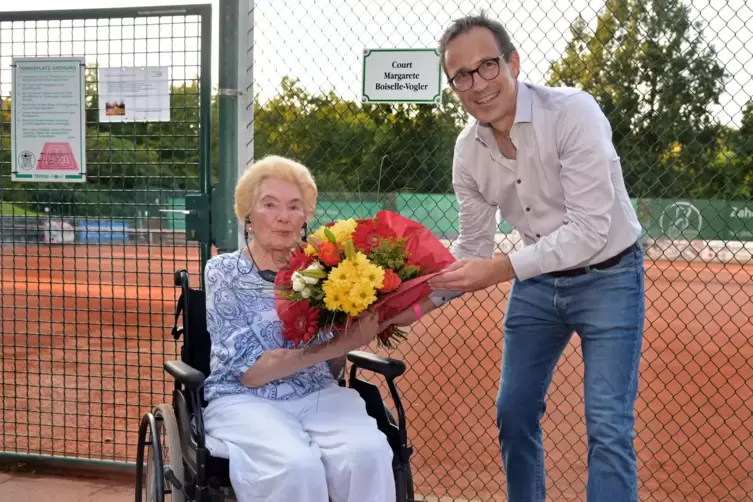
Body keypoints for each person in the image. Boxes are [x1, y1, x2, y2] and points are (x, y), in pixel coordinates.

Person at [383, 12, 645, 502]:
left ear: (513, 63)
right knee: (515, 411)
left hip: (608, 275)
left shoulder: (573, 113)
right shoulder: (467, 152)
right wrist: (407, 306)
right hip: (538, 282)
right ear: (453, 86)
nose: (477, 84)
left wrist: (502, 270)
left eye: (487, 66)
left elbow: (590, 230)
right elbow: (471, 250)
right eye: (461, 76)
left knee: (608, 426)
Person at [201, 155, 395, 502]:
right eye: (269, 204)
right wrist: (337, 346)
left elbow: (333, 367)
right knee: (296, 466)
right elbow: (251, 374)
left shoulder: (324, 270)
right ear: (248, 214)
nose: (282, 217)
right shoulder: (223, 272)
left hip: (316, 392)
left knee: (367, 454)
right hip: (245, 400)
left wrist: (355, 327)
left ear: (306, 216)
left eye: (294, 207)